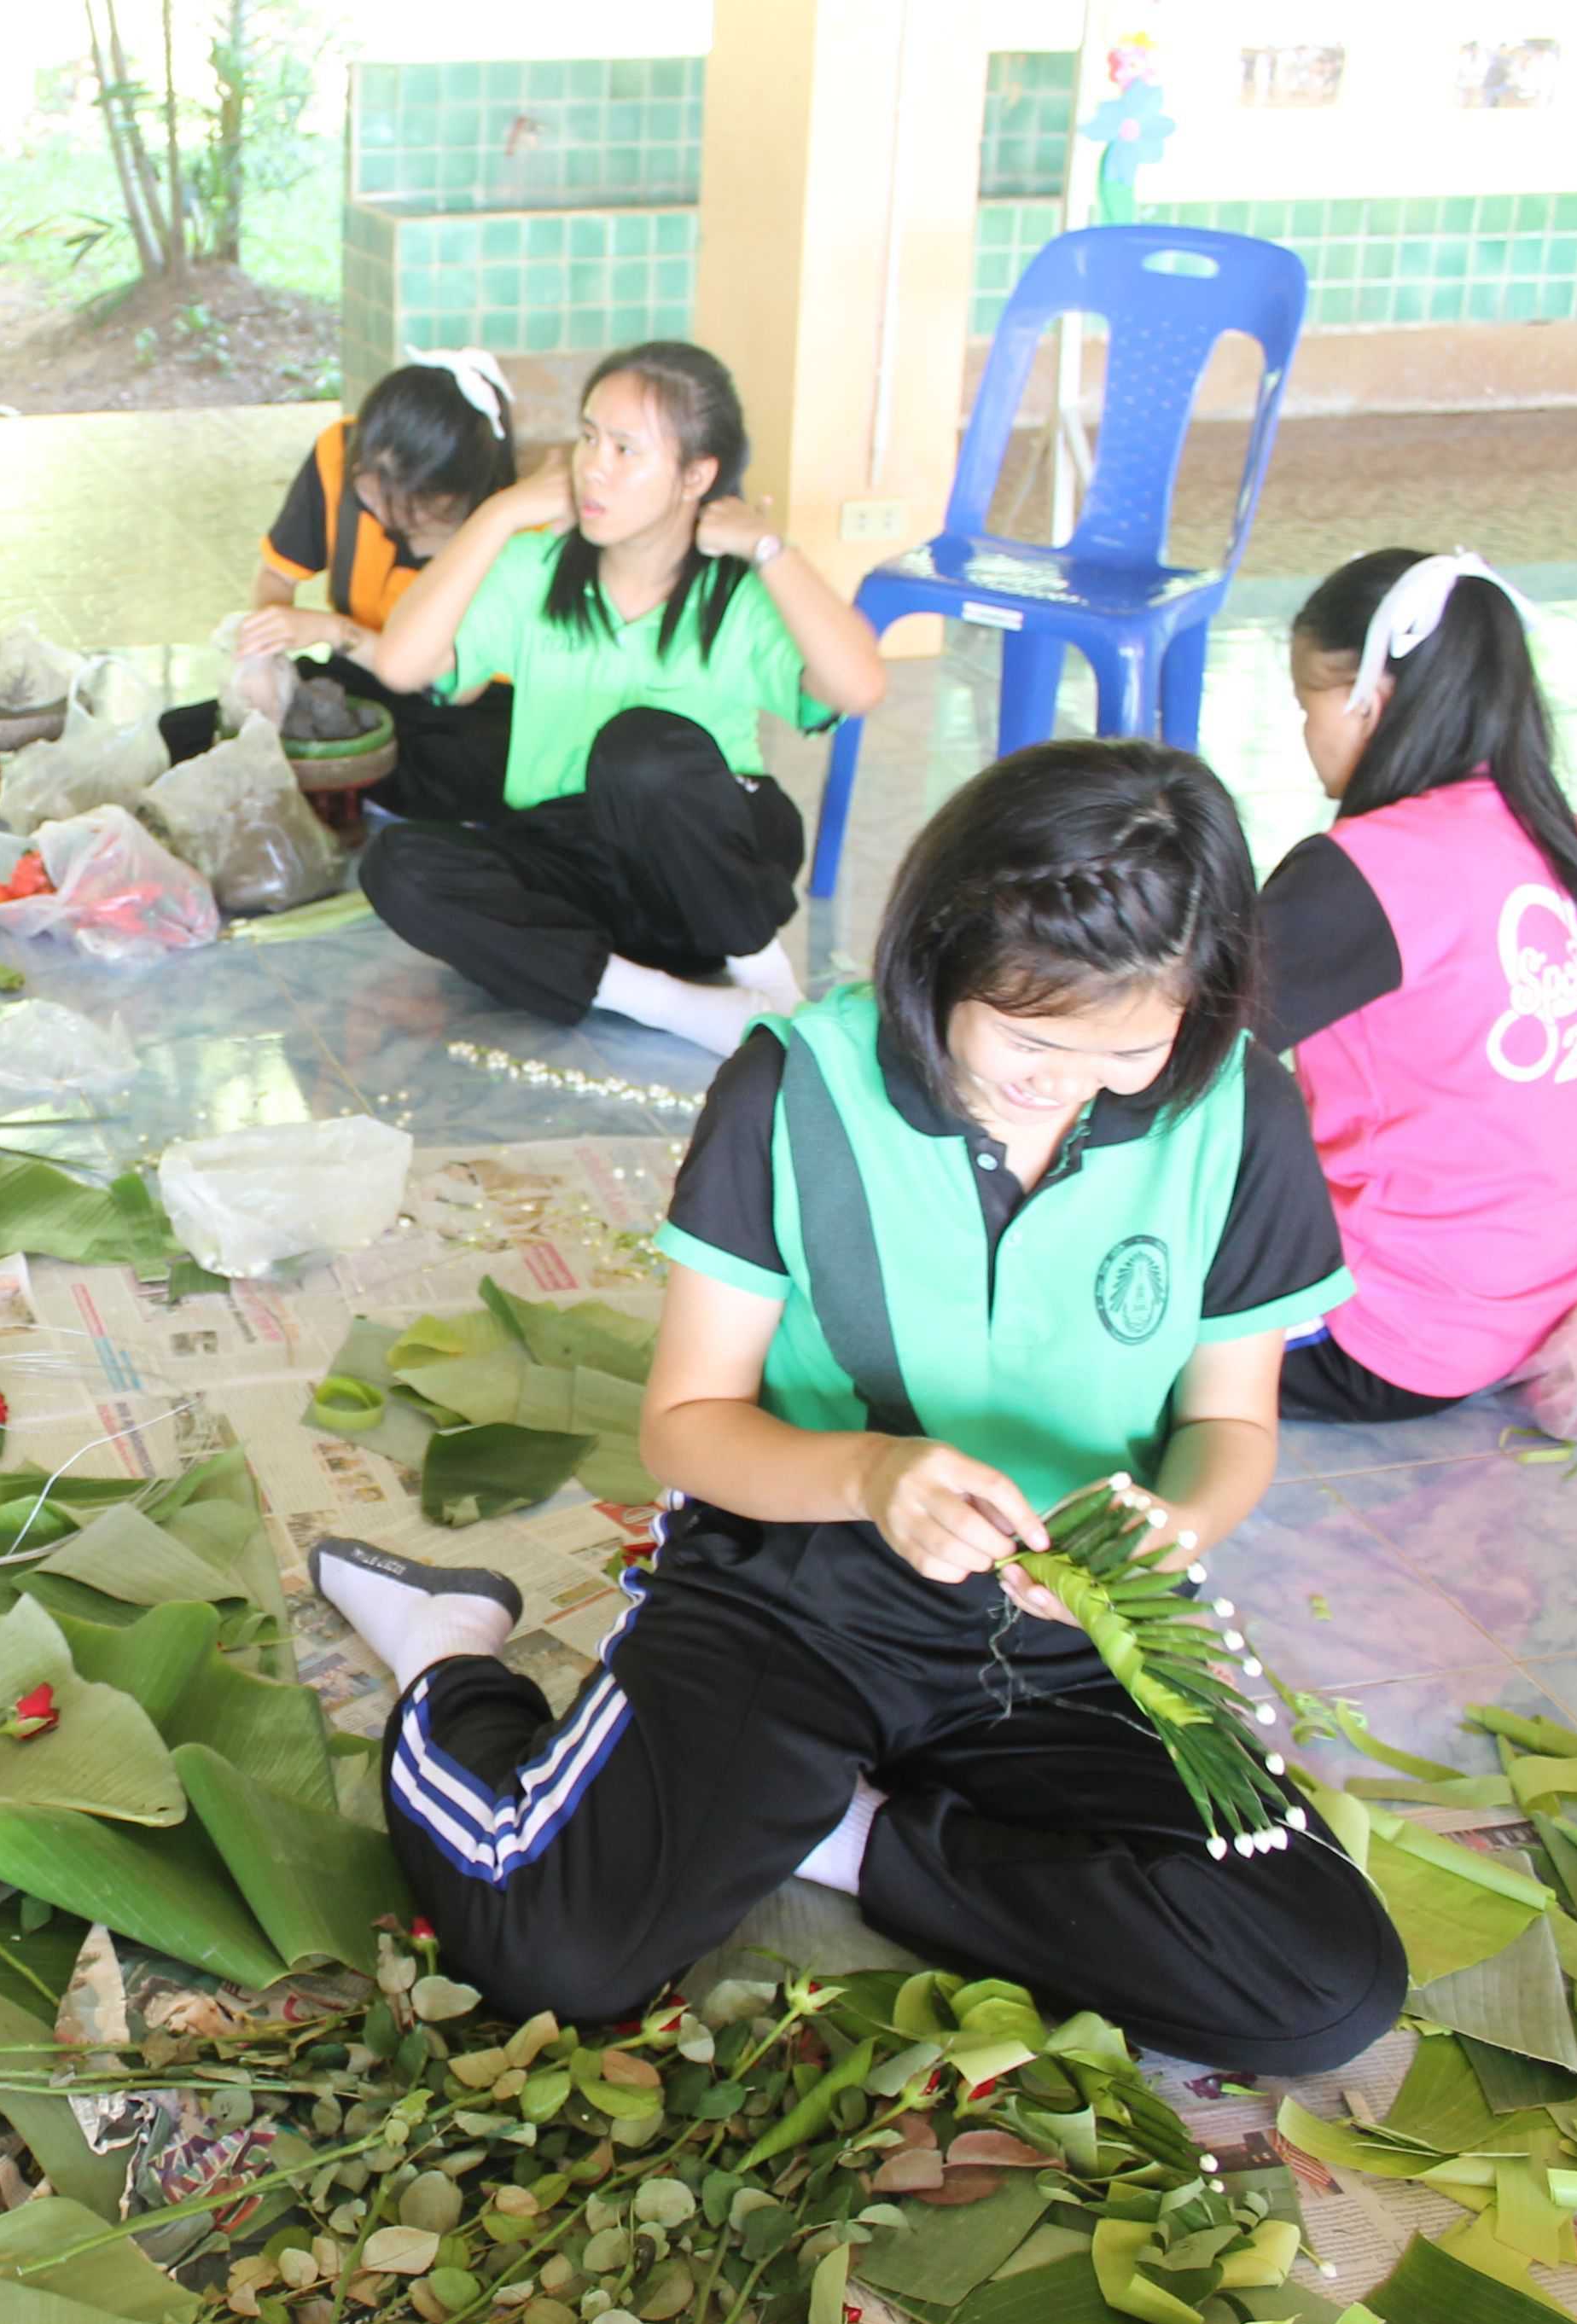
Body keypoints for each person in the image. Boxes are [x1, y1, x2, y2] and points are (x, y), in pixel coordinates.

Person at [320, 739, 1400, 2077]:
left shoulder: (1237, 1112)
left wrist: (1173, 1527)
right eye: (1029, 1036)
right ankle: (449, 1655)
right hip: (797, 1589)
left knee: (1321, 1984)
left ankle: (853, 1836)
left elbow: (1232, 1426)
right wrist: (874, 1477)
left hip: (1067, 1631)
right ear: (943, 952)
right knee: (556, 1954)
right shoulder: (796, 1087)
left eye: (1128, 1047)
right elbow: (688, 1424)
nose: (1065, 1082)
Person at [357, 341, 889, 1053]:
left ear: (696, 475)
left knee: (639, 748)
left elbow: (859, 685)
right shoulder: (535, 568)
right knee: (397, 865)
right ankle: (673, 1006)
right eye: (588, 438)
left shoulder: (735, 591)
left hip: (705, 868)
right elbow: (401, 665)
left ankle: (770, 983)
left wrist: (770, 552)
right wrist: (501, 515)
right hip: (581, 878)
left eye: (625, 449)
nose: (593, 468)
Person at [1255, 549, 1577, 1424]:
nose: (1307, 730)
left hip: (1383, 1341)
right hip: (1562, 1317)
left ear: (1368, 698)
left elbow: (1167, 1050)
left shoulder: (1365, 873)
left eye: (1308, 701)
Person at [154, 353, 522, 828]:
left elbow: (449, 686)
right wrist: (264, 661)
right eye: (369, 493)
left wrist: (332, 630)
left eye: (408, 509)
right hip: (357, 678)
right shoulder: (338, 453)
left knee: (452, 776)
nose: (381, 514)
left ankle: (355, 804)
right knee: (182, 737)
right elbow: (277, 577)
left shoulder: (503, 529)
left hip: (460, 712)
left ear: (456, 497)